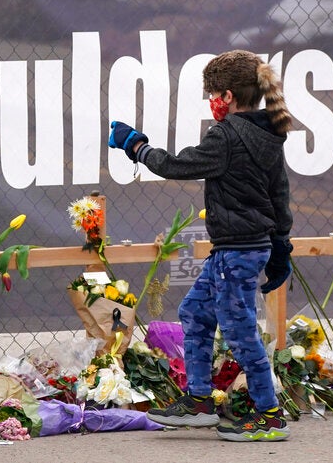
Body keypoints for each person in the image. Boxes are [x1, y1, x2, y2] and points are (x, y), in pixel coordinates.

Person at [108, 49, 294, 442]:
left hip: (236, 252)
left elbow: (176, 166)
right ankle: (198, 400)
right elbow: (279, 195)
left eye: (213, 94)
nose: (211, 103)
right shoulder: (268, 133)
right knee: (193, 311)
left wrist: (135, 146)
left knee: (239, 330)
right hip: (241, 248)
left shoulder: (226, 137)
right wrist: (280, 245)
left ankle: (270, 414)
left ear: (227, 96)